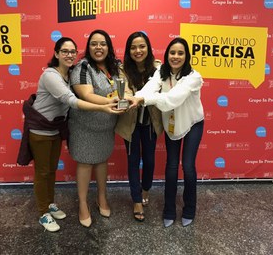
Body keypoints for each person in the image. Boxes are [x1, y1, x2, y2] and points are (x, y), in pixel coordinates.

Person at [17, 37, 119, 232]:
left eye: (72, 51)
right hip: (41, 131)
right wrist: (106, 106)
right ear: (56, 54)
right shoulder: (50, 75)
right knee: (43, 172)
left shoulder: (68, 73)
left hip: (55, 129)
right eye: (65, 51)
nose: (69, 55)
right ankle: (43, 213)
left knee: (51, 170)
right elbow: (70, 100)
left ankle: (50, 204)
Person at [133, 37, 204, 228]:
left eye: (180, 53)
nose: (176, 56)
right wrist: (137, 97)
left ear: (187, 56)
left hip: (192, 124)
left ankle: (189, 209)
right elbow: (150, 87)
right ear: (167, 55)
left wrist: (144, 100)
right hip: (172, 125)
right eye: (172, 52)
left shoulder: (194, 77)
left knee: (188, 167)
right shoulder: (161, 72)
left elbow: (172, 99)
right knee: (171, 167)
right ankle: (169, 210)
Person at [68, 29, 122, 227]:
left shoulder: (115, 66)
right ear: (88, 47)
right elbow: (86, 94)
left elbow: (128, 84)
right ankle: (83, 204)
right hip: (85, 127)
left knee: (101, 160)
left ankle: (102, 197)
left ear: (109, 47)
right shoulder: (82, 67)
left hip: (106, 127)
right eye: (94, 44)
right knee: (85, 162)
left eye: (103, 44)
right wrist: (112, 102)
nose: (98, 48)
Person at [115, 32, 163, 222]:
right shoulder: (122, 69)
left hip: (150, 122)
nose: (138, 51)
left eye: (142, 46)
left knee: (150, 160)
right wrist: (127, 96)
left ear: (148, 48)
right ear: (128, 51)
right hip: (130, 123)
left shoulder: (158, 68)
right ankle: (136, 199)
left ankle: (145, 189)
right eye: (133, 47)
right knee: (133, 161)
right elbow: (123, 89)